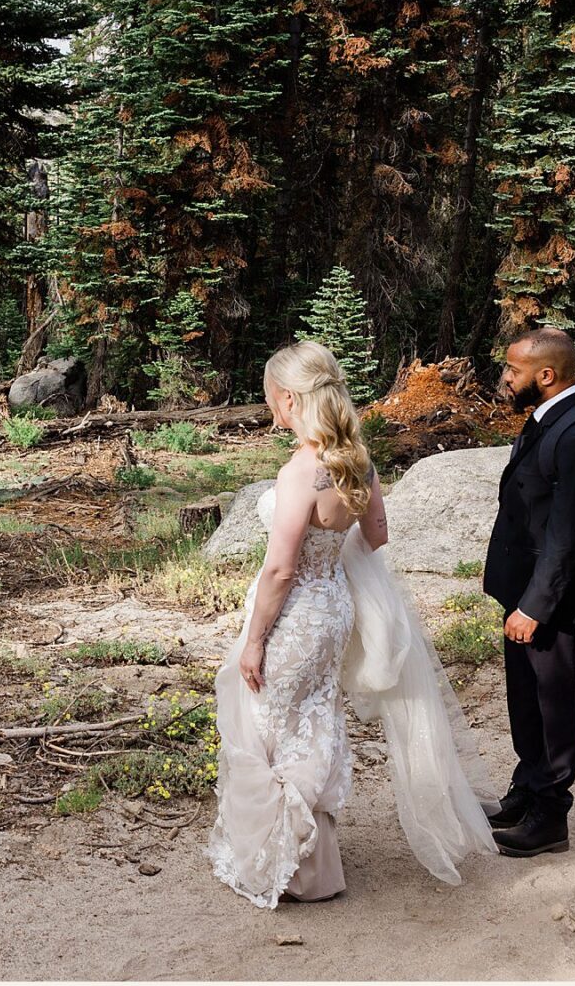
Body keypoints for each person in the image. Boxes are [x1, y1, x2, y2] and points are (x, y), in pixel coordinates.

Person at [207, 341, 496, 907]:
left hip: (294, 615)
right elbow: (378, 534)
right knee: (313, 719)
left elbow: (281, 568)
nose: (270, 408)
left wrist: (255, 640)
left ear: (288, 398)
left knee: (271, 725)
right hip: (334, 607)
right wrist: (333, 560)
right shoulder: (354, 460)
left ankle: (286, 868)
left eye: (271, 398)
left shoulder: (301, 470)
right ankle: (318, 866)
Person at [482, 327, 575, 857]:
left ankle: (550, 817)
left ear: (546, 376)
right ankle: (526, 791)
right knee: (528, 700)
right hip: (530, 598)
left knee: (556, 705)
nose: (505, 377)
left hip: (561, 605)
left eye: (513, 370)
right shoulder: (548, 421)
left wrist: (534, 607)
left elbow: (572, 537)